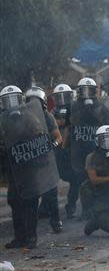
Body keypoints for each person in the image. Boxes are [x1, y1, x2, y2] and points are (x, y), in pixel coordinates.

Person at [0, 85, 59, 249]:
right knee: (14, 201)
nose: (11, 103)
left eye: (14, 99)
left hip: (29, 167)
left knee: (30, 202)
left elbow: (40, 137)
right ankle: (19, 238)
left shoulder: (30, 117)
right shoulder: (2, 120)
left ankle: (31, 238)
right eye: (7, 100)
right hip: (13, 168)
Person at [65, 77, 109, 219]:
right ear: (79, 92)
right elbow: (67, 125)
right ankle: (71, 207)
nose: (86, 93)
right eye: (83, 91)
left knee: (94, 182)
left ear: (94, 91)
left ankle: (92, 210)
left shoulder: (101, 108)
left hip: (95, 152)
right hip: (78, 151)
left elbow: (108, 127)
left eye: (89, 90)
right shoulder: (72, 107)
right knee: (77, 182)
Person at [25, 86, 63, 233]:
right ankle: (30, 228)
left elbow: (58, 136)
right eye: (31, 101)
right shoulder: (24, 117)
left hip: (46, 159)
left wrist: (53, 145)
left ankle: (56, 221)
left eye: (37, 101)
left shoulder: (47, 116)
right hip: (30, 160)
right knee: (32, 195)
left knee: (51, 192)